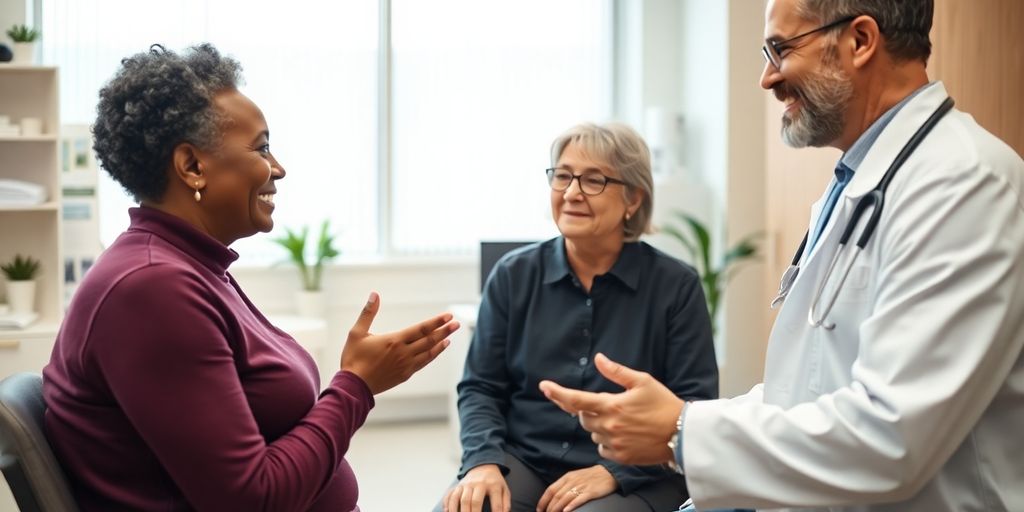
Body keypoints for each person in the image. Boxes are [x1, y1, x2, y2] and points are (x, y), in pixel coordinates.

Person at [539, 1, 1024, 511]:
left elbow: (891, 438)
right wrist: (682, 425)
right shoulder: (859, 183)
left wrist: (682, 432)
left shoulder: (964, 184)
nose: (767, 78)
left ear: (860, 41)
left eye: (780, 49)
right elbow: (804, 389)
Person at [42, 44, 459, 512]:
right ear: (192, 166)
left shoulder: (190, 266)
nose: (278, 168)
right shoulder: (151, 289)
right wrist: (355, 386)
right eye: (261, 148)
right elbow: (251, 501)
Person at [438, 123, 719, 512]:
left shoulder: (676, 286)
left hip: (637, 469)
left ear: (633, 198)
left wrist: (615, 471)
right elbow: (481, 387)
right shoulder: (512, 275)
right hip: (525, 459)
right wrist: (482, 462)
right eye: (563, 176)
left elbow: (693, 407)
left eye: (593, 180)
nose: (572, 192)